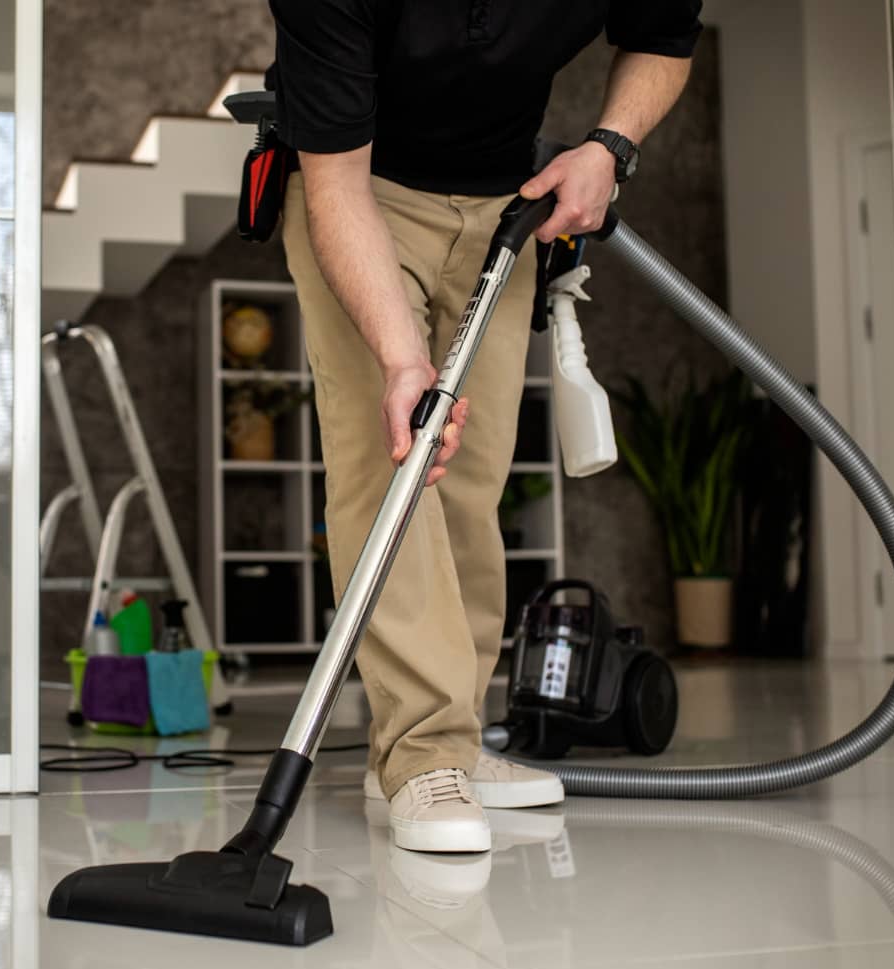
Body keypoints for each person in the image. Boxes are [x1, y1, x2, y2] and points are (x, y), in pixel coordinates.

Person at [270, 0, 703, 853]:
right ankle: (421, 756)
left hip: (508, 201)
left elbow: (663, 37)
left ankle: (452, 748)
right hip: (364, 194)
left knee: (471, 482)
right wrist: (404, 363)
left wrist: (610, 148)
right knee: (395, 464)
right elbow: (336, 190)